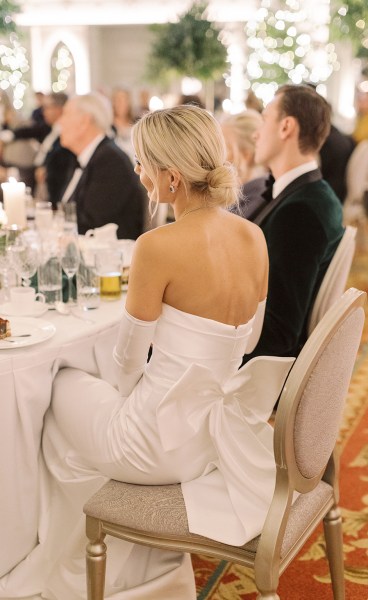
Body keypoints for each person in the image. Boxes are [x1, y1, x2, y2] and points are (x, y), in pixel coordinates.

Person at [33, 105, 292, 599]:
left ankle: (80, 568)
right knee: (84, 399)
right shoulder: (254, 237)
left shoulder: (157, 246)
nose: (137, 173)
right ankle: (136, 556)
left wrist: (127, 406)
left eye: (143, 163)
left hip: (152, 444)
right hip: (210, 443)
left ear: (171, 178)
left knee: (56, 386)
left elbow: (127, 361)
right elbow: (251, 339)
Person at [243, 84, 344, 361]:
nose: (256, 133)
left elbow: (279, 332)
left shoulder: (300, 212)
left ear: (286, 127)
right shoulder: (309, 192)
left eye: (264, 120)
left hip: (257, 365)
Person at [59, 92, 145, 239]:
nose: (60, 122)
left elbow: (93, 222)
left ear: (84, 122)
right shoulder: (84, 157)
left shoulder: (110, 161)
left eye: (65, 115)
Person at [221, 109, 268, 218]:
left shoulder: (255, 199)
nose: (216, 154)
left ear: (247, 155)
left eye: (224, 147)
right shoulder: (237, 193)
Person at [34, 92, 77, 207]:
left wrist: (46, 168)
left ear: (59, 109)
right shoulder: (51, 129)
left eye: (47, 108)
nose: (44, 112)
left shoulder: (66, 132)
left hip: (59, 189)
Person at [111, 86, 137, 159]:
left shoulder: (136, 123)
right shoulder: (108, 125)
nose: (121, 103)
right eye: (118, 100)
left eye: (124, 99)